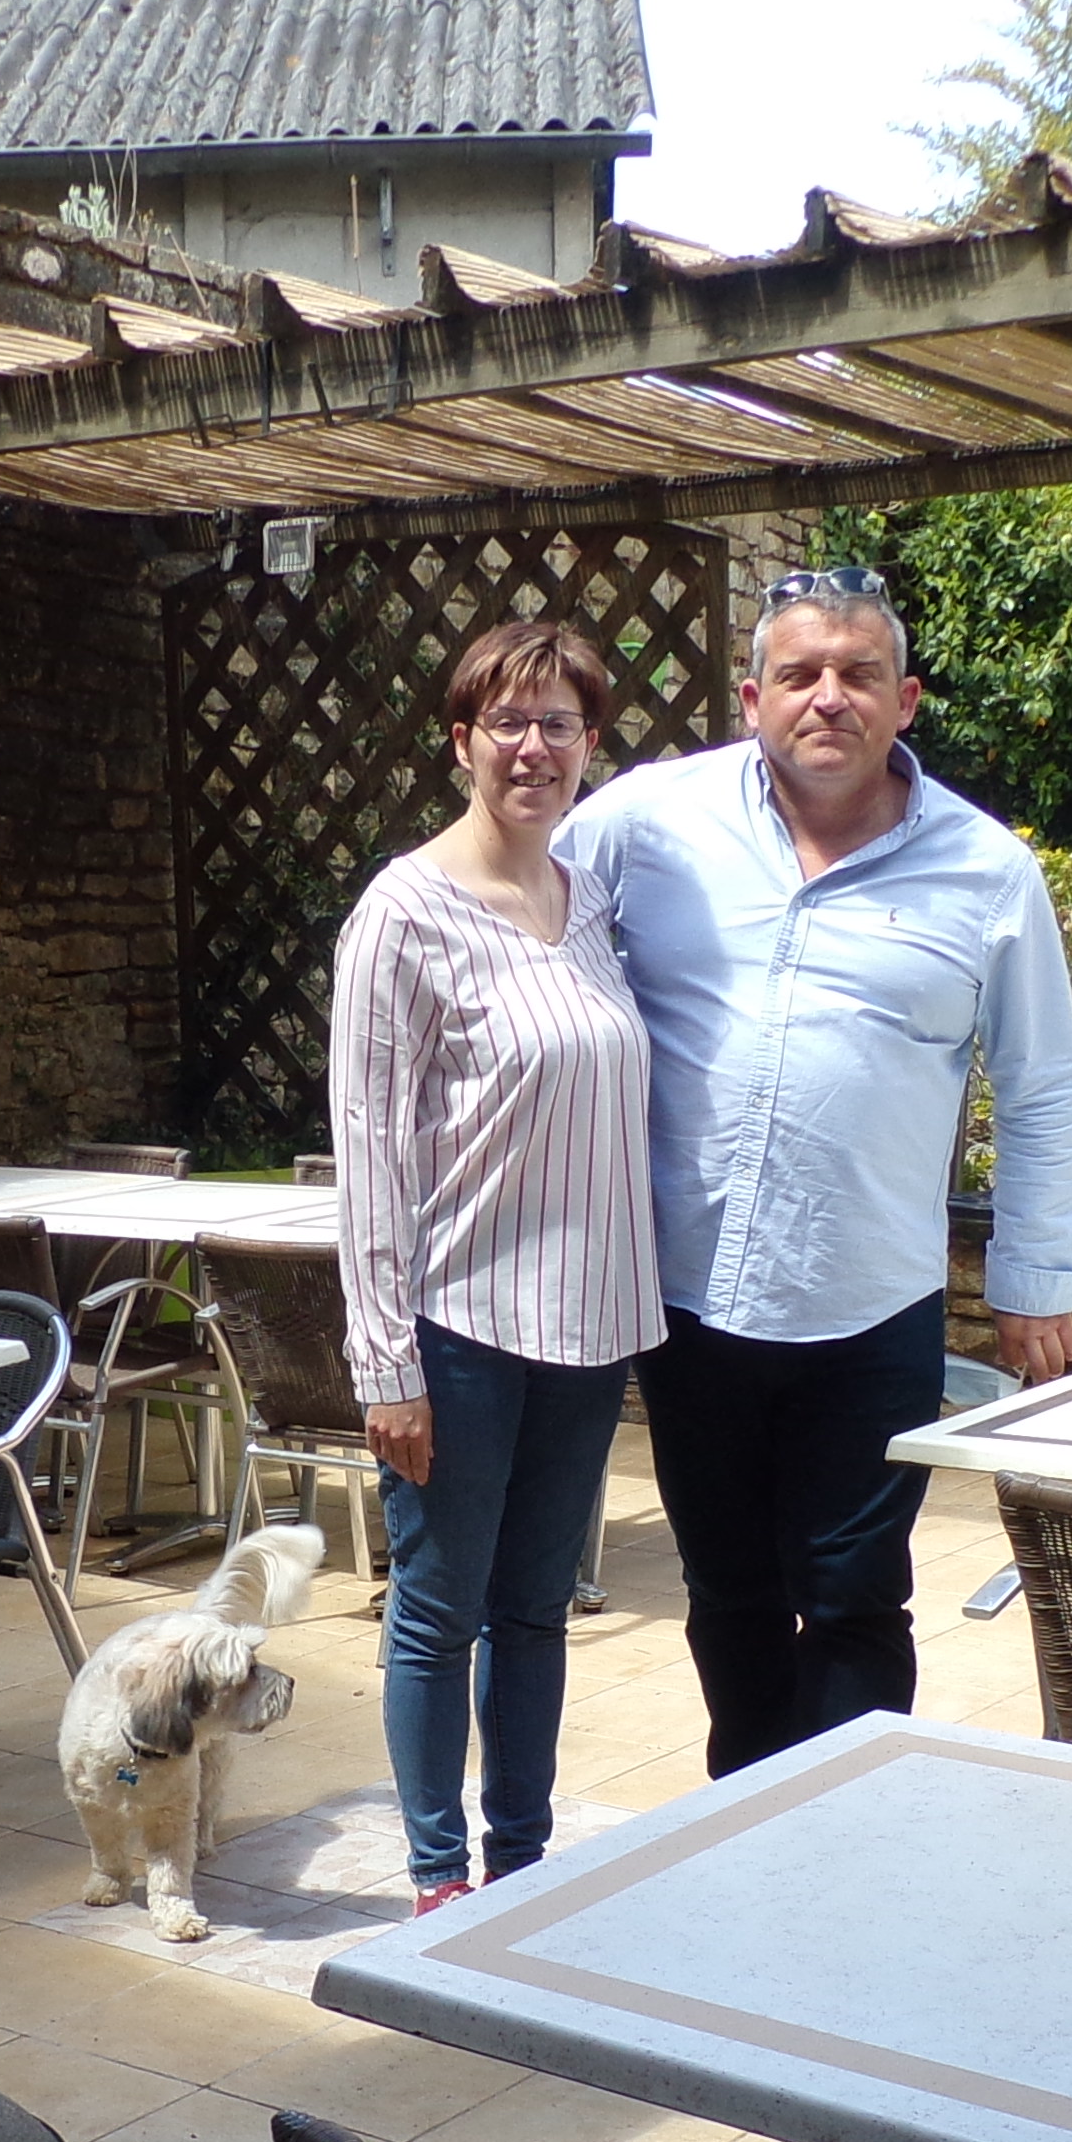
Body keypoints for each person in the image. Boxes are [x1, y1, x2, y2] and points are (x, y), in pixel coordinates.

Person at [558, 564, 1072, 1778]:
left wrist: (1033, 1280)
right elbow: (521, 929)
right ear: (753, 699)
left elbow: (1043, 1084)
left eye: (859, 674)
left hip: (872, 1303)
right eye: (800, 674)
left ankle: (852, 1836)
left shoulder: (986, 869)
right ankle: (745, 1830)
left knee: (856, 1599)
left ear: (906, 700)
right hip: (691, 1296)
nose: (829, 697)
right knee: (729, 1593)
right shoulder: (645, 826)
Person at [330, 617, 662, 1917]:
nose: (534, 748)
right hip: (459, 1331)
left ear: (591, 743)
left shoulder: (593, 907)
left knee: (535, 1612)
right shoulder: (403, 915)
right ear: (461, 742)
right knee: (439, 1611)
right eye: (508, 723)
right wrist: (385, 1364)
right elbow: (370, 1151)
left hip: (588, 1330)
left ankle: (521, 1864)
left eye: (559, 723)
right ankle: (438, 1879)